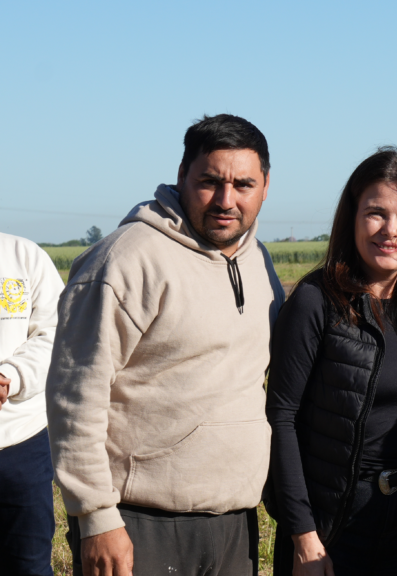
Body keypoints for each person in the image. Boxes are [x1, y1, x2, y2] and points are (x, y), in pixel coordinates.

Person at [46, 114, 285, 576]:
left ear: (266, 186)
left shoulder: (258, 260)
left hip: (234, 519)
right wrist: (96, 517)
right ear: (181, 175)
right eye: (210, 181)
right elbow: (75, 395)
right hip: (139, 522)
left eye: (243, 185)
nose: (226, 200)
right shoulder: (126, 261)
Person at [265, 147, 397, 575]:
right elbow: (281, 417)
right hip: (337, 527)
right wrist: (304, 537)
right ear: (351, 217)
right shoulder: (316, 302)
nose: (391, 230)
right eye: (375, 213)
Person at [0, 233, 64, 575]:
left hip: (20, 441)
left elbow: (55, 332)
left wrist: (11, 376)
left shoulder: (23, 256)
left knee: (28, 564)